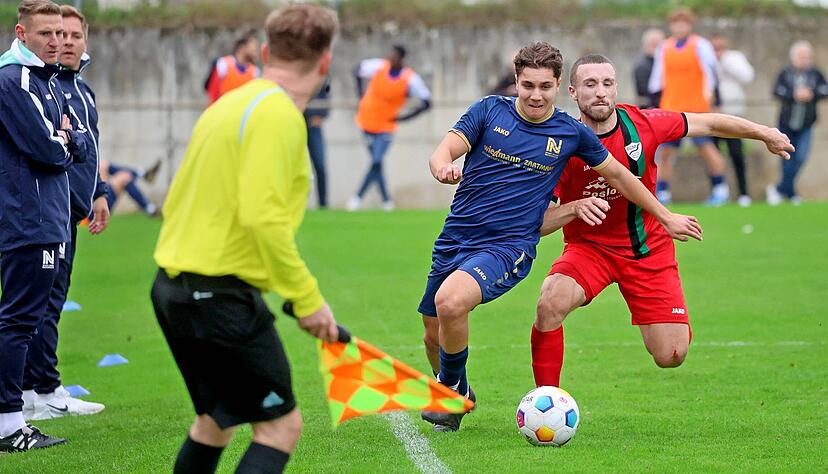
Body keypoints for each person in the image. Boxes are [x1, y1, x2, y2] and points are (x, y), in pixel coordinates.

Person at [418, 42, 702, 433]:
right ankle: (460, 387)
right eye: (528, 85)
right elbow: (445, 150)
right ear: (516, 81)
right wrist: (442, 166)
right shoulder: (488, 111)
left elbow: (620, 175)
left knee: (450, 302)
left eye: (544, 87)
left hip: (508, 245)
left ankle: (448, 389)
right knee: (432, 332)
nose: (536, 95)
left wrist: (665, 215)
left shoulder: (569, 134)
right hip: (456, 237)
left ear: (557, 87)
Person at [151, 5, 339, 473]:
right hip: (218, 296)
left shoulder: (229, 103)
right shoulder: (278, 116)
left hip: (173, 289)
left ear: (266, 51)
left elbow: (177, 199)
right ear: (325, 62)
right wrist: (308, 298)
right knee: (280, 427)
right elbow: (263, 220)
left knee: (215, 422)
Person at [529, 54, 792, 389]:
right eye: (590, 84)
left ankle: (657, 309)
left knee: (671, 354)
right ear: (573, 92)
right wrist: (573, 208)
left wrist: (764, 132)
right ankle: (544, 400)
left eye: (607, 84)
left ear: (616, 88)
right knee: (549, 303)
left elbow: (708, 123)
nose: (600, 92)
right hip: (590, 249)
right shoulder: (559, 147)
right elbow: (538, 223)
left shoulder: (643, 124)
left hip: (647, 248)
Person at [0, 0, 93, 452]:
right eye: (45, 34)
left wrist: (66, 139)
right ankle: (8, 423)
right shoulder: (14, 80)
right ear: (21, 34)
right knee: (18, 322)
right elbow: (49, 150)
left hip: (49, 219)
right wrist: (63, 140)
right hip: (28, 220)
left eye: (62, 33)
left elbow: (72, 139)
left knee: (29, 319)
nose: (57, 41)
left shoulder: (47, 80)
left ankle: (18, 412)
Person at [21, 4, 110, 423]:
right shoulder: (43, 86)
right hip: (43, 213)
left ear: (84, 41)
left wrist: (100, 192)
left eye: (74, 36)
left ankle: (35, 389)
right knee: (40, 305)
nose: (65, 43)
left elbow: (88, 150)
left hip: (70, 211)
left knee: (49, 303)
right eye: (59, 35)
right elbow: (51, 148)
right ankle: (41, 389)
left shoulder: (83, 91)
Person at [648, 7, 729, 206]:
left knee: (705, 148)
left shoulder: (700, 45)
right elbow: (656, 80)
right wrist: (653, 105)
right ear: (671, 26)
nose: (680, 27)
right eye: (676, 24)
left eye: (683, 24)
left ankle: (720, 188)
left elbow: (712, 74)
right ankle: (663, 192)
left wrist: (713, 98)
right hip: (671, 108)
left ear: (689, 26)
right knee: (665, 152)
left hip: (696, 107)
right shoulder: (664, 48)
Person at [347, 45, 432, 211]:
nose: (390, 60)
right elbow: (357, 70)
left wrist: (404, 118)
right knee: (376, 164)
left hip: (386, 125)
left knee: (377, 160)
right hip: (367, 121)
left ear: (401, 59)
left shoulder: (409, 78)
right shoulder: (379, 66)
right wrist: (361, 96)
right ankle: (387, 201)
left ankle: (357, 197)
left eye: (394, 57)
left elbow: (427, 102)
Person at [766, 41, 828, 206]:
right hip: (786, 125)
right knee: (787, 159)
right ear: (793, 58)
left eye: (807, 57)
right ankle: (790, 192)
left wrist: (811, 94)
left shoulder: (815, 74)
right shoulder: (786, 73)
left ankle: (780, 189)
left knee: (800, 158)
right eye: (801, 56)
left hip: (806, 125)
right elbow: (777, 91)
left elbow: (824, 90)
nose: (804, 60)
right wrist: (794, 95)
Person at [711, 33, 755, 207]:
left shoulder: (734, 58)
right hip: (712, 116)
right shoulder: (705, 59)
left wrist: (725, 62)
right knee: (714, 156)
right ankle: (719, 192)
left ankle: (744, 193)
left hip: (733, 113)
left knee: (737, 155)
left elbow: (747, 77)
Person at [204, 30, 260, 105]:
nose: (255, 51)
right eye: (253, 47)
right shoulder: (223, 65)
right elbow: (212, 95)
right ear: (242, 47)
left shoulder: (255, 72)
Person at [305, 77, 330, 208]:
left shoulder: (321, 74)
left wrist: (320, 114)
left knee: (320, 165)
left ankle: (323, 204)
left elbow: (326, 95)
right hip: (294, 122)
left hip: (314, 126)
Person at [633, 28, 664, 109]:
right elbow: (644, 91)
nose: (658, 48)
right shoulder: (642, 66)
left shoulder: (663, 63)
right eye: (654, 45)